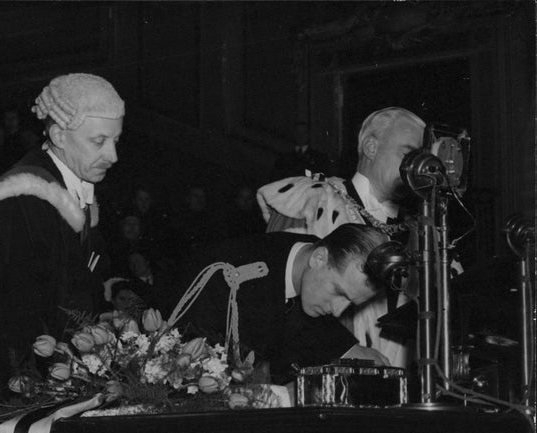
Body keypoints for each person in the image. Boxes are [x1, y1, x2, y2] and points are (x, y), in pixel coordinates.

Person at [0, 72, 124, 419]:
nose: (112, 155)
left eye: (115, 140)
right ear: (58, 135)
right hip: (12, 398)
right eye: (98, 141)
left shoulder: (73, 195)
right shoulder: (21, 204)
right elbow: (16, 328)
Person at [257, 107, 425, 369]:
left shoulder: (421, 230)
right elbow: (275, 296)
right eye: (407, 154)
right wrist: (341, 348)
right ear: (370, 147)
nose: (417, 167)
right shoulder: (311, 201)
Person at [174, 224, 393, 381]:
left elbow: (301, 320)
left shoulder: (307, 256)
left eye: (350, 303)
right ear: (319, 258)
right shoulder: (234, 274)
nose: (337, 311)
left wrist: (346, 349)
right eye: (338, 292)